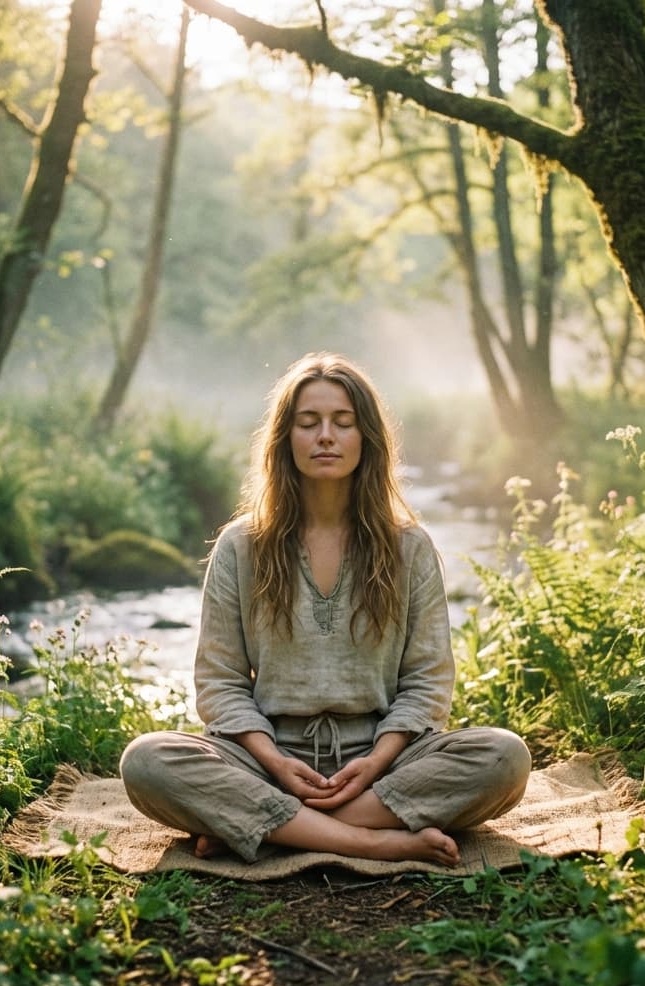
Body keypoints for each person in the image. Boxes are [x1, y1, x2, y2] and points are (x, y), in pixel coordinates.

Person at [119, 352, 530, 866]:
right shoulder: (240, 545)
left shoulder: (409, 547)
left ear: (367, 438)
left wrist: (378, 760)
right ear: (285, 440)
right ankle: (366, 838)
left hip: (386, 760)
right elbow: (220, 682)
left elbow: (427, 682)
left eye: (343, 422)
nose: (326, 436)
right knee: (148, 762)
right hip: (263, 760)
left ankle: (272, 827)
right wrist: (273, 760)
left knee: (504, 757)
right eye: (308, 423)